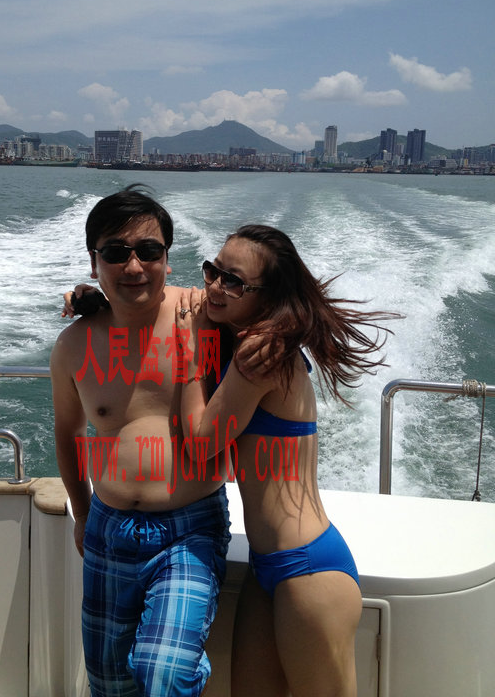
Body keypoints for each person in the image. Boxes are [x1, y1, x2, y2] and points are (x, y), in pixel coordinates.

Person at [174, 224, 398, 697]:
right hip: (268, 566)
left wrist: (191, 346)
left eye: (234, 281)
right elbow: (160, 298)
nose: (215, 286)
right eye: (213, 271)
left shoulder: (262, 352)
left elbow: (200, 444)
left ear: (268, 296)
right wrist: (92, 298)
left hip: (308, 569)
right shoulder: (245, 337)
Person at [51, 185, 234, 697]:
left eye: (149, 251)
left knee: (164, 672)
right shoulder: (74, 344)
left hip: (189, 529)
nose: (133, 266)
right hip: (108, 527)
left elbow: (272, 312)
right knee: (109, 683)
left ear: (167, 259)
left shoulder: (204, 318)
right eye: (115, 253)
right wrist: (82, 514)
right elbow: (68, 433)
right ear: (94, 263)